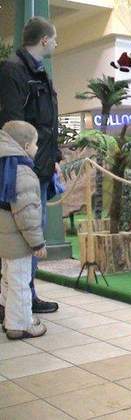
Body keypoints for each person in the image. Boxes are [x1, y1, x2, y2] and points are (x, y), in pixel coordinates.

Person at [0, 16, 61, 314]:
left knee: (29, 232)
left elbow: (47, 124)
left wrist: (55, 157)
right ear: (44, 40)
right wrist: (25, 163)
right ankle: (19, 302)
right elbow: (13, 124)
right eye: (55, 39)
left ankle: (21, 297)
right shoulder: (14, 70)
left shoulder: (38, 71)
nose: (57, 44)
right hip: (25, 169)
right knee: (23, 236)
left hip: (41, 165)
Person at [0, 121, 47, 339]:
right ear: (26, 146)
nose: (37, 148)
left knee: (8, 278)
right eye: (36, 144)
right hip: (17, 240)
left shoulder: (5, 165)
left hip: (4, 239)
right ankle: (20, 325)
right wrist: (37, 243)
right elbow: (27, 214)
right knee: (20, 281)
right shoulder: (22, 170)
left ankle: (8, 314)